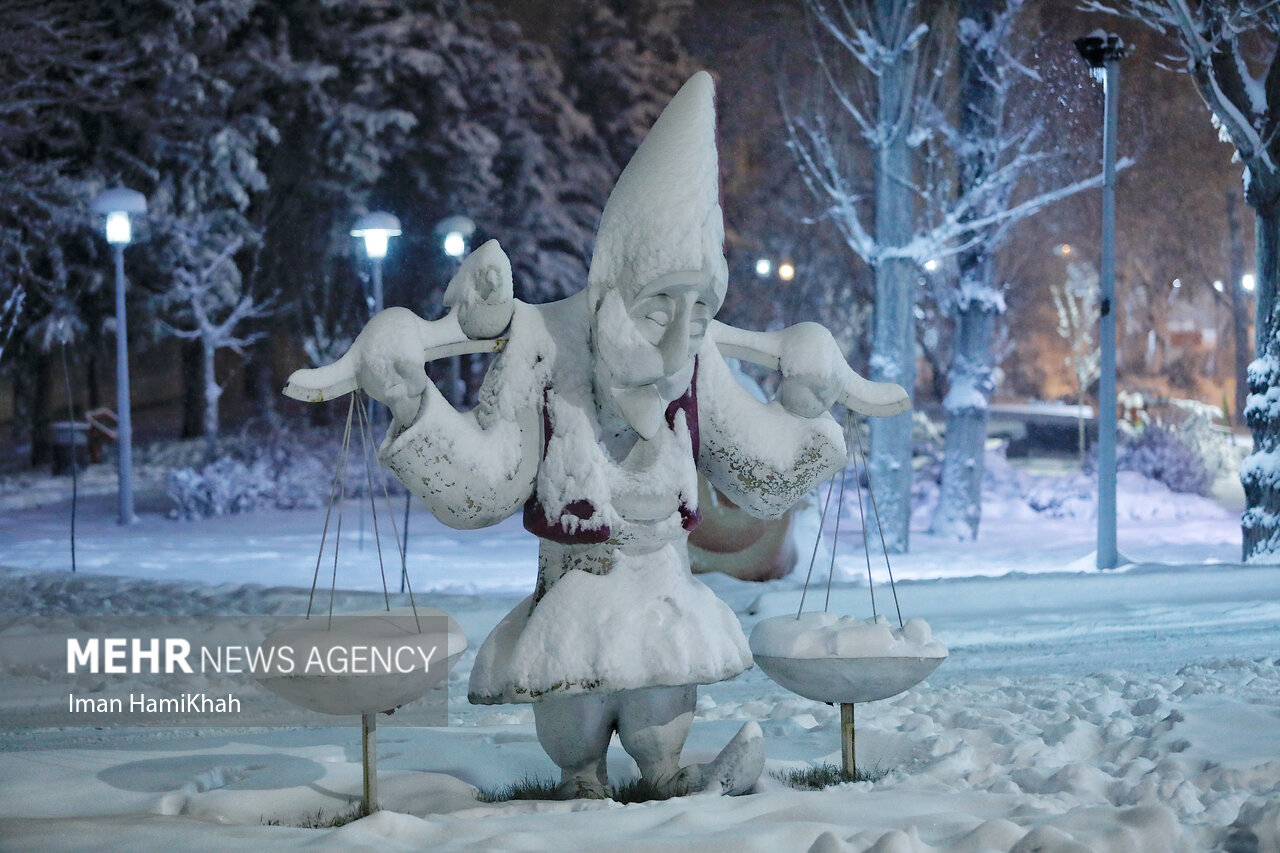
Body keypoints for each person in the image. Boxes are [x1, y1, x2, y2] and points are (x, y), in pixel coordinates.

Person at [290, 72, 902, 798]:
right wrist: (412, 400)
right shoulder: (546, 345)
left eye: (699, 314)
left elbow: (759, 476)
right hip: (575, 602)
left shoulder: (696, 363)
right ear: (610, 291)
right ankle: (580, 781)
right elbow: (484, 485)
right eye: (654, 313)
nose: (676, 346)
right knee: (575, 710)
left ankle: (669, 776)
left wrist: (805, 403)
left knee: (660, 706)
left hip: (663, 599)